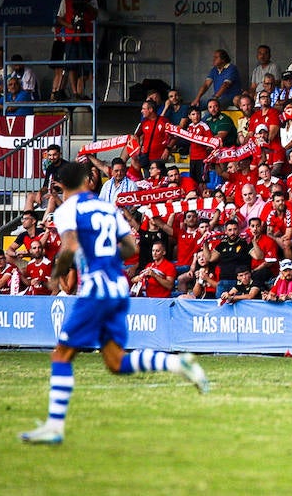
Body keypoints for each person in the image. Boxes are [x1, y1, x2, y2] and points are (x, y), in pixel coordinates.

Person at [20, 161, 208, 445]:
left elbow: (69, 245)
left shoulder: (67, 210)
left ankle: (54, 427)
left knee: (61, 355)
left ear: (62, 186)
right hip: (118, 287)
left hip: (96, 288)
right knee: (116, 362)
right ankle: (177, 364)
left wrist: (56, 275)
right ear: (88, 183)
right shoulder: (108, 208)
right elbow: (131, 247)